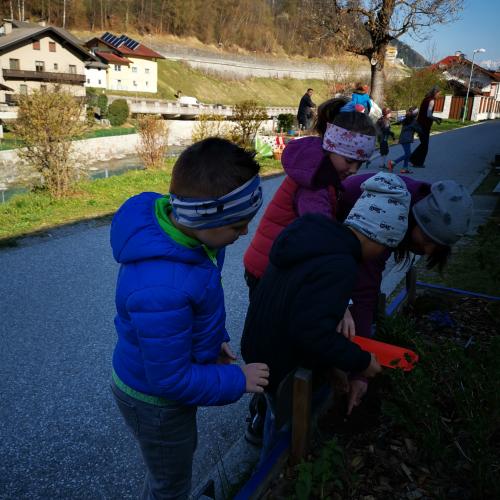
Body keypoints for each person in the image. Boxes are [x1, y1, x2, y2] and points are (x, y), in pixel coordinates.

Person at [109, 138, 270, 499]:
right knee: (171, 478)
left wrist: (214, 340)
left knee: (171, 463)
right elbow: (169, 380)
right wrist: (235, 379)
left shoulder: (196, 239)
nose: (244, 233)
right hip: (155, 401)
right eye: (237, 225)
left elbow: (203, 301)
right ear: (207, 219)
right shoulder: (161, 288)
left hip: (158, 384)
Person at [241, 173, 412, 459]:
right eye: (386, 246)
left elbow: (306, 311)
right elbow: (311, 332)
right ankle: (273, 468)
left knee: (275, 410)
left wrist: (333, 363)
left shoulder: (315, 238)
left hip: (262, 343)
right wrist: (360, 361)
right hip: (282, 365)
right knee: (284, 426)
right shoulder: (342, 265)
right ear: (379, 238)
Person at [243, 98, 376, 445]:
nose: (353, 168)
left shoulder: (322, 167)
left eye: (360, 162)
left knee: (277, 337)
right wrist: (343, 301)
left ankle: (270, 399)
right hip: (267, 268)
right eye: (350, 160)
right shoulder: (315, 184)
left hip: (271, 262)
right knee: (274, 345)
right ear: (332, 149)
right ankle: (265, 412)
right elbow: (322, 238)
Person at [337, 174, 474, 341]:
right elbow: (364, 284)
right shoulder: (388, 216)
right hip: (334, 221)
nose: (429, 251)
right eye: (428, 239)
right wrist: (362, 347)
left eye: (437, 245)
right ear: (417, 220)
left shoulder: (425, 203)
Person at [409, 86, 442, 168]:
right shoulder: (431, 101)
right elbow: (429, 115)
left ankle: (414, 160)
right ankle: (416, 161)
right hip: (425, 125)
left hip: (420, 124)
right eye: (438, 94)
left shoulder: (425, 99)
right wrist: (436, 119)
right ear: (435, 93)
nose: (439, 96)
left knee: (423, 144)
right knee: (425, 145)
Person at [389, 107, 422, 174]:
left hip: (404, 138)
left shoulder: (406, 119)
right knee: (408, 154)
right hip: (406, 139)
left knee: (407, 153)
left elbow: (399, 122)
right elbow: (419, 130)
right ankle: (393, 162)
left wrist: (394, 123)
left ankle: (405, 168)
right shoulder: (414, 122)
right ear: (416, 114)